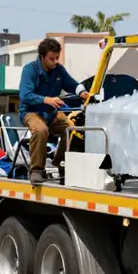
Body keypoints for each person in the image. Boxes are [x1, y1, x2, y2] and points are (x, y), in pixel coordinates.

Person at [19, 38, 89, 185]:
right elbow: (25, 96)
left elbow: (72, 84)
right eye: (52, 58)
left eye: (57, 57)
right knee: (41, 130)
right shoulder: (29, 70)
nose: (55, 61)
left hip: (51, 113)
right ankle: (37, 171)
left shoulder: (59, 70)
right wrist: (47, 100)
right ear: (42, 57)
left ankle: (61, 163)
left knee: (73, 130)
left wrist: (82, 92)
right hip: (31, 112)